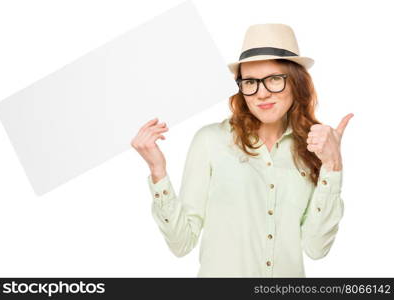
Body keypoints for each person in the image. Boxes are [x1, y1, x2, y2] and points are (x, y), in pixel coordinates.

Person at [131, 23, 353, 277]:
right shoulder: (210, 141)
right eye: (250, 82)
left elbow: (316, 248)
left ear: (297, 83)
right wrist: (157, 171)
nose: (261, 93)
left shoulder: (314, 148)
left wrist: (333, 166)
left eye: (274, 80)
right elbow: (182, 243)